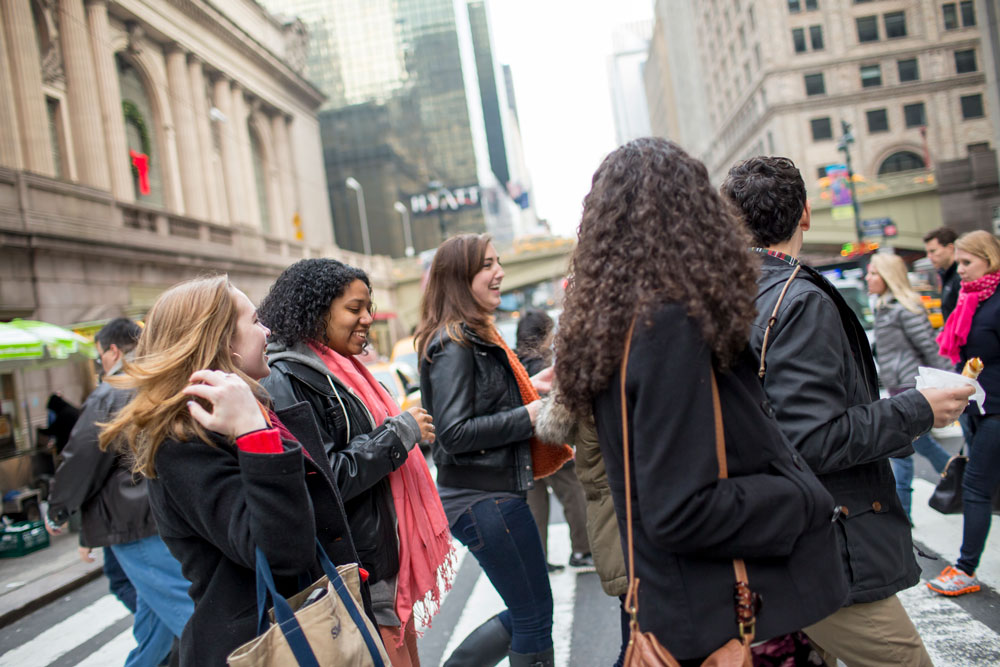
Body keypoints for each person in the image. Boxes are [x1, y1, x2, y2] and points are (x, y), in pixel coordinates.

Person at [554, 138, 848, 665]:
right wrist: (802, 496)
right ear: (695, 216)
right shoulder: (669, 326)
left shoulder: (611, 330)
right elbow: (681, 510)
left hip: (683, 607)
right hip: (727, 620)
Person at [721, 155, 972, 667]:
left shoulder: (727, 295)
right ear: (806, 215)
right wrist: (918, 409)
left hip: (768, 536)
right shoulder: (797, 299)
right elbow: (813, 440)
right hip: (822, 542)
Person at [99, 276, 366, 667]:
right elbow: (282, 553)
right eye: (255, 321)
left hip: (303, 627)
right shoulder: (186, 442)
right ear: (224, 343)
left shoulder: (251, 415)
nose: (267, 330)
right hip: (261, 644)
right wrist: (256, 437)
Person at [257, 258, 449, 667]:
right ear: (317, 311)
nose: (366, 318)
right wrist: (397, 435)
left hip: (382, 562)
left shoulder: (347, 372)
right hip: (359, 571)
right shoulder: (287, 379)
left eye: (368, 307)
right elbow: (326, 478)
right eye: (353, 308)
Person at [417, 234, 563, 667]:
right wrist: (531, 414)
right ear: (461, 279)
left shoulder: (471, 335)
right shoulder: (453, 343)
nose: (499, 272)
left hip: (491, 497)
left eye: (497, 262)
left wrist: (530, 389)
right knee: (534, 617)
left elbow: (481, 403)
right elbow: (454, 432)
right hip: (484, 499)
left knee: (530, 614)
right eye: (486, 266)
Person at [46, 317, 192, 667]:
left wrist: (58, 508)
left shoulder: (112, 390)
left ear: (113, 350)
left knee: (187, 617)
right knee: (156, 621)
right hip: (163, 513)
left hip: (133, 521)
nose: (101, 365)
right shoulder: (161, 378)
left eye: (100, 357)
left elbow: (82, 456)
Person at [928, 230, 1000, 597]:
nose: (962, 270)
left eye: (968, 262)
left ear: (989, 259)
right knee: (984, 485)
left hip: (997, 409)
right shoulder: (967, 299)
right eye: (959, 262)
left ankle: (965, 568)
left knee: (975, 486)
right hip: (975, 406)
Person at [866, 253, 953, 520]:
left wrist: (951, 381)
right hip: (897, 386)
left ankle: (903, 512)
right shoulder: (883, 306)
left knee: (902, 448)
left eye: (874, 273)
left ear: (889, 276)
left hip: (911, 385)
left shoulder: (905, 308)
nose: (868, 278)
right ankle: (953, 476)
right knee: (909, 447)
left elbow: (930, 348)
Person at [516, 310, 592, 572]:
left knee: (535, 506)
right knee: (573, 494)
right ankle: (582, 550)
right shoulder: (543, 366)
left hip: (523, 446)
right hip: (549, 440)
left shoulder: (513, 363)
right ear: (543, 337)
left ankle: (539, 558)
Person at [924, 227, 961, 321]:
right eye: (927, 252)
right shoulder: (946, 275)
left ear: (950, 248)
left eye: (933, 251)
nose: (929, 256)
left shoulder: (961, 275)